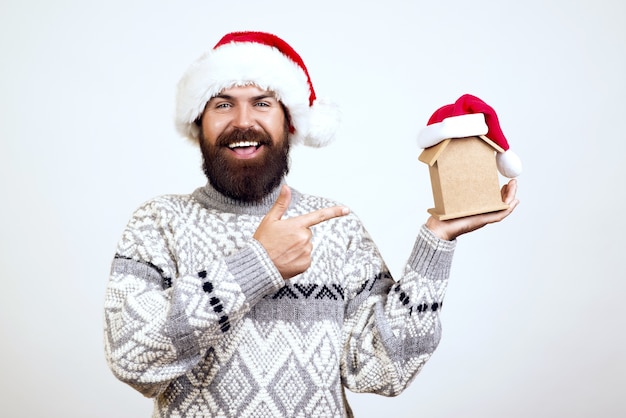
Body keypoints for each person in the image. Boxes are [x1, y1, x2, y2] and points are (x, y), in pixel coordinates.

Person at [104, 31, 519, 418]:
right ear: (199, 124)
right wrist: (258, 265)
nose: (243, 121)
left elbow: (383, 370)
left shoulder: (335, 226)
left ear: (291, 123)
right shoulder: (158, 223)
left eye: (263, 102)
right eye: (223, 103)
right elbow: (133, 359)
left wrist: (437, 242)